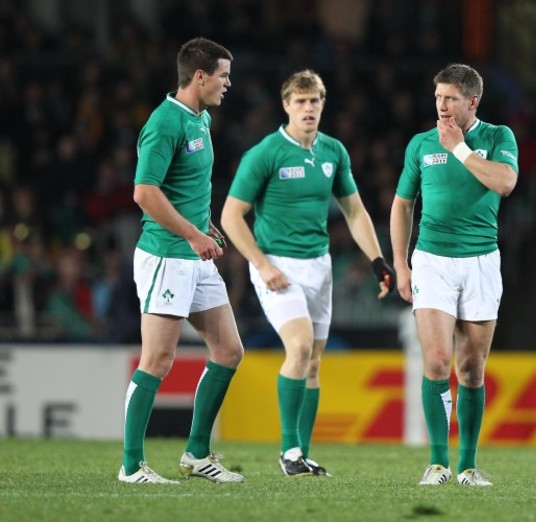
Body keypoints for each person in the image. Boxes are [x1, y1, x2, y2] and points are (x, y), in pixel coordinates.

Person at [221, 69, 395, 477]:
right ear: (286, 106)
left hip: (320, 266)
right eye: (300, 102)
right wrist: (262, 265)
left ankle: (301, 453)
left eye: (314, 101)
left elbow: (354, 210)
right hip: (278, 266)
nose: (308, 108)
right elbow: (231, 216)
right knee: (299, 348)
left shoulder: (333, 152)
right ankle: (288, 450)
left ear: (323, 104)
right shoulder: (265, 153)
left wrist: (377, 261)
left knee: (314, 364)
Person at [119, 37, 245, 485]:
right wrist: (192, 234)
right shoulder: (164, 122)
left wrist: (204, 222)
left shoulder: (201, 119)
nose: (228, 84)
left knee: (229, 351)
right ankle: (131, 465)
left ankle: (195, 454)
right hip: (167, 256)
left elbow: (183, 185)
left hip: (195, 251)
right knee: (157, 358)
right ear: (200, 76)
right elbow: (145, 192)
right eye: (224, 76)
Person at [390, 63, 518, 487]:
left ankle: (468, 466)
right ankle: (438, 463)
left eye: (450, 99)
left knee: (471, 370)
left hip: (481, 261)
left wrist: (461, 149)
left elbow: (504, 183)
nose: (441, 106)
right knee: (438, 361)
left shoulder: (498, 137)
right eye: (438, 97)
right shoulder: (421, 144)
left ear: (473, 102)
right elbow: (402, 204)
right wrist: (402, 262)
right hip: (432, 260)